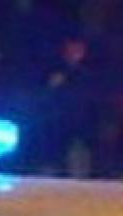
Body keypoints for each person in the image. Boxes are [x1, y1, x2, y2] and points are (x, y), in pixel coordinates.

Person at [41, 37, 105, 178]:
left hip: (82, 120)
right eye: (71, 50)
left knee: (80, 153)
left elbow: (94, 96)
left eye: (78, 50)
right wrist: (52, 86)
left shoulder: (89, 72)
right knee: (56, 153)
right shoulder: (56, 71)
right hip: (60, 120)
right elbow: (46, 94)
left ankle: (79, 178)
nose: (74, 54)